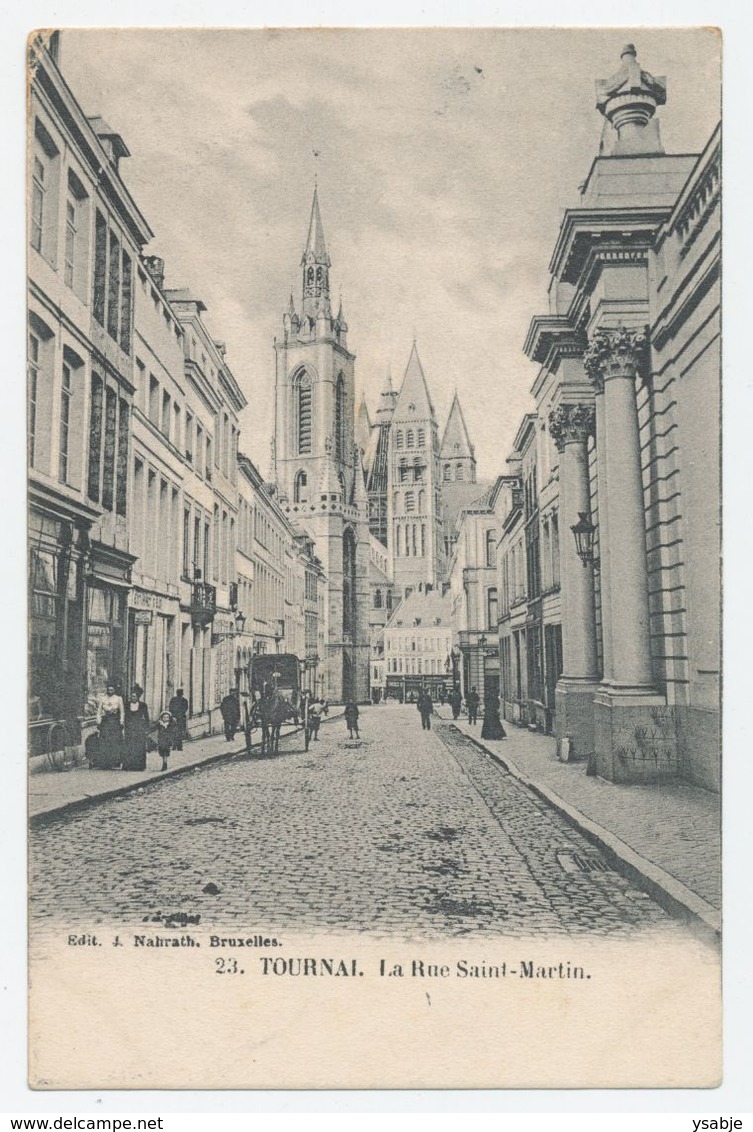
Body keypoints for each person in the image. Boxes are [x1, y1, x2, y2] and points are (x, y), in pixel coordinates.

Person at [95, 684, 124, 768]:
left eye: (112, 690)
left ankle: (115, 762)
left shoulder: (118, 698)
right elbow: (99, 711)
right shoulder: (103, 699)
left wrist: (121, 721)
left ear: (114, 690)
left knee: (114, 741)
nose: (110, 691)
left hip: (115, 722)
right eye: (109, 690)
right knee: (105, 741)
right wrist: (99, 721)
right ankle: (105, 762)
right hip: (106, 722)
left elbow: (122, 711)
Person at [122, 690, 150, 771]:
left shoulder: (143, 705)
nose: (132, 698)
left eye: (134, 696)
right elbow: (124, 716)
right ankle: (128, 765)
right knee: (129, 746)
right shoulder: (127, 705)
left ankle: (139, 766)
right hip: (129, 729)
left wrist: (146, 729)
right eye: (131, 696)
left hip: (139, 729)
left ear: (138, 697)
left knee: (139, 747)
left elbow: (146, 717)